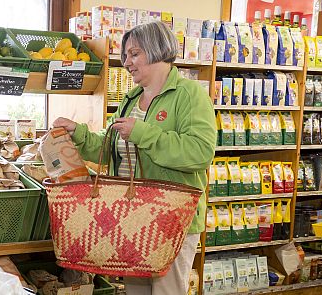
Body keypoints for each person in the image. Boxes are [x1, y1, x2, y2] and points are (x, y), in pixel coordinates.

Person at [53, 21, 216, 295]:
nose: (127, 62)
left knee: (168, 291)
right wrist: (78, 133)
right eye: (126, 55)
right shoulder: (130, 100)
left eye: (134, 54)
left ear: (156, 51)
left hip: (171, 219)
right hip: (131, 217)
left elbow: (199, 153)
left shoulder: (189, 95)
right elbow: (107, 149)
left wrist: (143, 133)